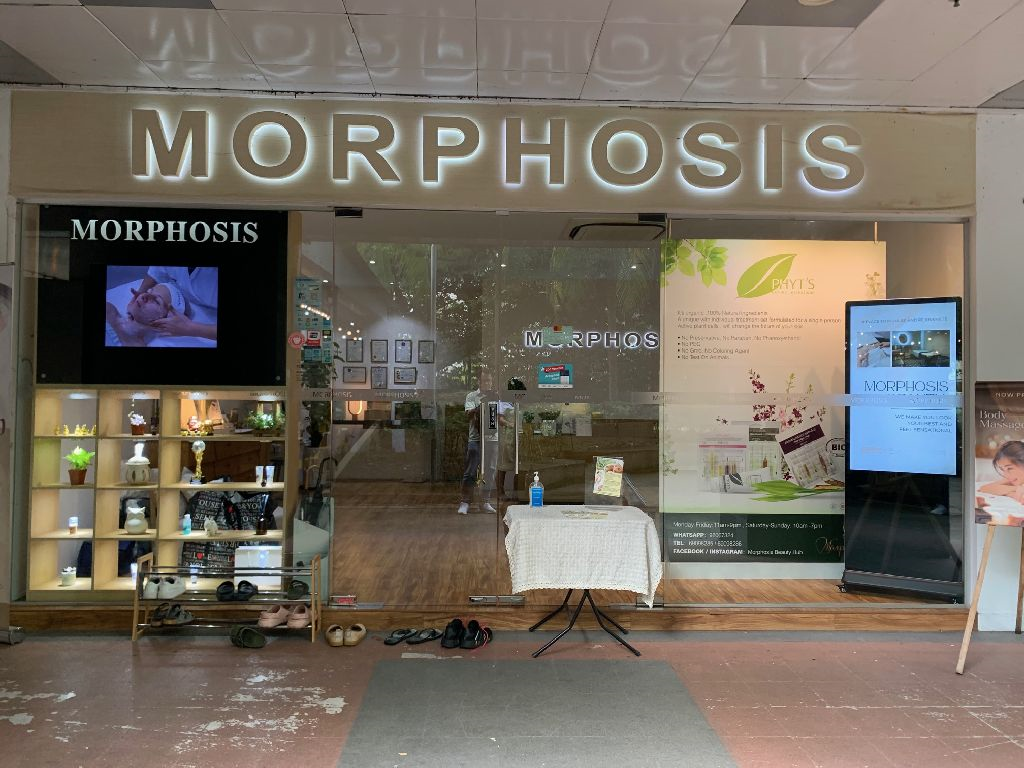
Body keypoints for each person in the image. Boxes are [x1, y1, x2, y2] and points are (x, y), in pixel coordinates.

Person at [105, 266, 218, 347]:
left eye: (156, 301)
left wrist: (190, 328)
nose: (144, 296)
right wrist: (141, 291)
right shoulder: (109, 310)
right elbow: (157, 271)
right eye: (149, 291)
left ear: (164, 323)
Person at [458, 369, 497, 515]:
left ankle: (485, 502)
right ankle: (465, 502)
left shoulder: (496, 396)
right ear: (479, 381)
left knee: (490, 471)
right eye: (485, 380)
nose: (487, 383)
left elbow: (500, 415)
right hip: (476, 439)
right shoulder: (472, 396)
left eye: (489, 380)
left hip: (492, 439)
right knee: (471, 471)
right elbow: (468, 414)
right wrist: (480, 405)